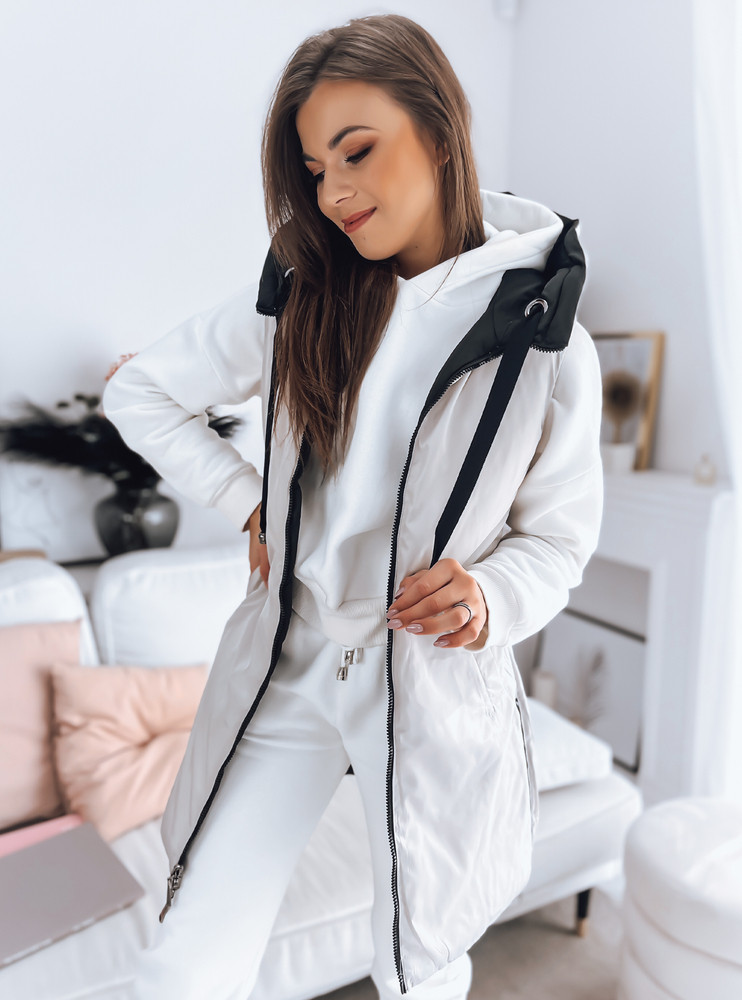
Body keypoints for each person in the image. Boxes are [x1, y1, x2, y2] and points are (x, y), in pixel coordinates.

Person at [102, 13, 603, 1000]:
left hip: (425, 677)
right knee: (187, 956)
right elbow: (140, 392)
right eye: (314, 167)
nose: (333, 192)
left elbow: (558, 539)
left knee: (420, 959)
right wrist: (250, 500)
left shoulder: (545, 343)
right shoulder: (306, 296)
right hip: (291, 658)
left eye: (357, 151)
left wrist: (489, 596)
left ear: (440, 129)